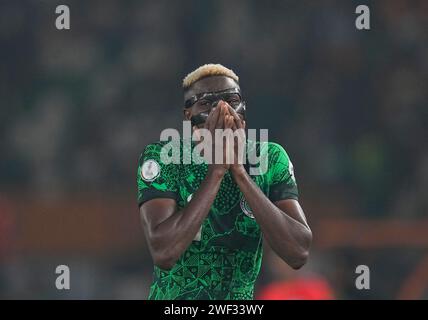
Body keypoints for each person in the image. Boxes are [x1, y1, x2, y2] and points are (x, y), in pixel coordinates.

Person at [136, 64, 312, 300]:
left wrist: (239, 171)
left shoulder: (269, 158)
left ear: (244, 108)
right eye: (206, 103)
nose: (223, 109)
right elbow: (164, 252)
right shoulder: (164, 157)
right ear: (188, 115)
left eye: (231, 99)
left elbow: (298, 252)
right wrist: (217, 171)